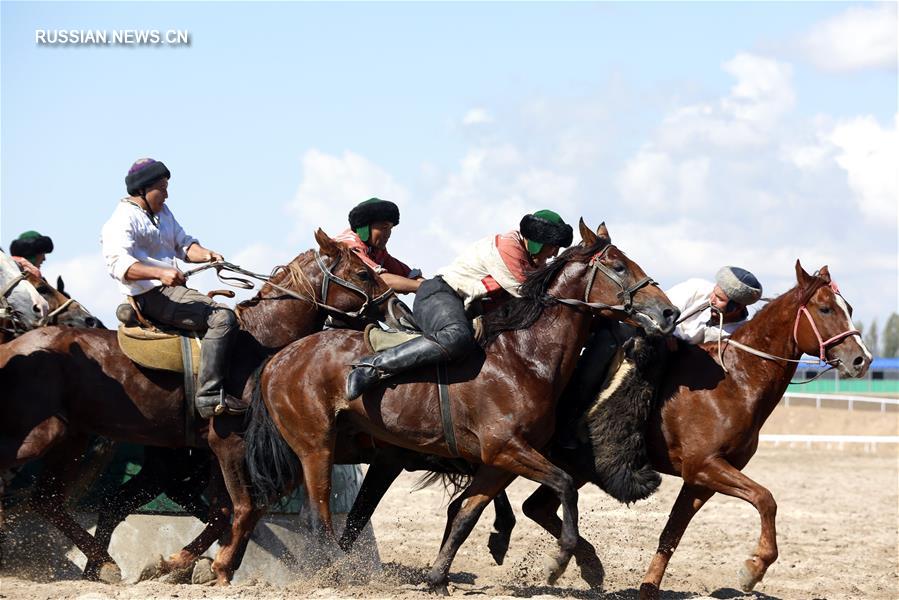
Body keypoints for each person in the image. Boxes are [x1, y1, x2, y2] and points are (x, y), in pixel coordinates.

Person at [345, 209, 573, 400]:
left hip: (464, 306)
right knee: (456, 337)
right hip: (441, 295)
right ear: (535, 242)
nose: (553, 254)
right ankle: (372, 367)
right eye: (552, 246)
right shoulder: (509, 248)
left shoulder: (527, 258)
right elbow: (528, 293)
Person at [100, 158, 243, 418]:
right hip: (149, 296)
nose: (166, 194)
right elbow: (118, 265)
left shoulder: (163, 213)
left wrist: (208, 254)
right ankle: (209, 396)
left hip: (170, 291)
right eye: (162, 188)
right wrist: (161, 273)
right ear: (143, 190)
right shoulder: (121, 220)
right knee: (223, 318)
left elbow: (185, 246)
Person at [333, 198, 424, 293]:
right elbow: (380, 279)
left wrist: (433, 285)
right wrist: (424, 287)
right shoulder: (348, 244)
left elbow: (407, 275)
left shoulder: (375, 249)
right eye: (384, 227)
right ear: (365, 227)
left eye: (390, 228)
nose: (388, 233)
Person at [666, 266, 763, 344]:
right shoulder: (696, 287)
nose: (712, 300)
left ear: (738, 307)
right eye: (714, 292)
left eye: (720, 299)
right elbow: (657, 310)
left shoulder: (737, 335)